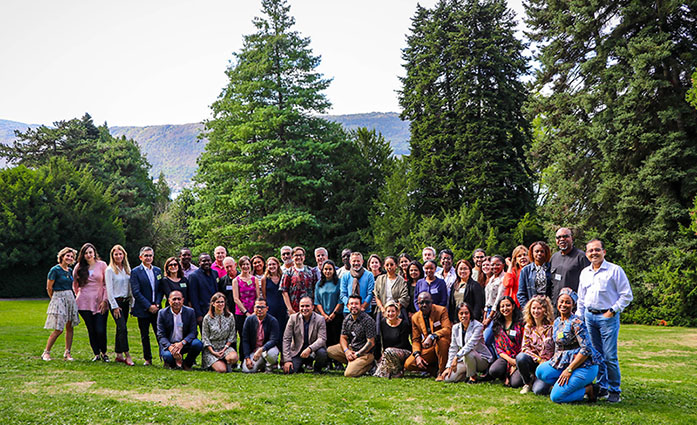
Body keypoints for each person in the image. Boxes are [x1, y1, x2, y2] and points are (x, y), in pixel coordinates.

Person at [577, 239, 633, 403]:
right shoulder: (585, 272)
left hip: (607, 317)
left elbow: (627, 295)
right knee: (596, 355)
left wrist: (612, 310)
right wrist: (580, 316)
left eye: (597, 250)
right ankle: (602, 387)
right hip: (589, 316)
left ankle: (615, 390)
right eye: (590, 251)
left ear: (604, 252)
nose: (593, 253)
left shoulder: (615, 270)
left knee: (609, 357)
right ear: (586, 254)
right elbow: (581, 297)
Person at [536, 288, 603, 403]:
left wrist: (569, 369)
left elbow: (586, 350)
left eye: (568, 302)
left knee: (556, 397)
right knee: (541, 371)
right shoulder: (557, 322)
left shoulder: (577, 323)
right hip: (565, 362)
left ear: (573, 305)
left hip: (584, 365)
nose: (564, 305)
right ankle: (566, 386)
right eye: (561, 301)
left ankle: (589, 389)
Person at [73, 243, 109, 362]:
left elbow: (106, 284)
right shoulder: (79, 267)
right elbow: (75, 285)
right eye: (86, 253)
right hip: (84, 303)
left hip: (100, 301)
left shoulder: (102, 265)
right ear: (83, 255)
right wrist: (78, 295)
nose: (88, 255)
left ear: (94, 253)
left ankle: (104, 352)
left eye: (90, 252)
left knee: (100, 329)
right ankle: (96, 353)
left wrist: (105, 300)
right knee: (91, 329)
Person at [42, 247, 79, 361]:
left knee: (70, 326)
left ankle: (67, 352)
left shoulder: (70, 270)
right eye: (67, 255)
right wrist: (54, 299)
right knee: (59, 328)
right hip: (58, 298)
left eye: (72, 256)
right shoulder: (55, 270)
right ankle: (46, 352)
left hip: (70, 298)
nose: (69, 258)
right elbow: (49, 287)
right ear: (62, 256)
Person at [440, 302, 492, 383]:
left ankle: (472, 377)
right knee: (448, 379)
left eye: (466, 313)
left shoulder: (478, 326)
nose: (464, 316)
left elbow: (470, 345)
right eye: (461, 313)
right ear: (457, 315)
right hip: (465, 359)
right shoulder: (455, 327)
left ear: (470, 314)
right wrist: (449, 366)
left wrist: (456, 357)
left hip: (481, 359)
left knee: (469, 353)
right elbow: (453, 347)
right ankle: (466, 374)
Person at [327, 295, 377, 377]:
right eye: (351, 304)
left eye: (356, 304)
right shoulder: (347, 319)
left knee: (349, 374)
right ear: (348, 306)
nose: (354, 306)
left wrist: (357, 354)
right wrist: (347, 351)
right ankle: (354, 363)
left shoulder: (368, 321)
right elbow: (343, 337)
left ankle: (369, 366)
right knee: (330, 350)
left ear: (361, 306)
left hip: (365, 353)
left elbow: (371, 343)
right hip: (352, 349)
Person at [405, 292, 452, 377]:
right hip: (428, 347)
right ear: (417, 304)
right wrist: (417, 355)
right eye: (421, 303)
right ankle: (433, 369)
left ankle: (442, 372)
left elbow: (447, 329)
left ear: (432, 302)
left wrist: (432, 336)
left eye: (427, 302)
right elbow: (415, 340)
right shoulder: (415, 317)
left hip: (442, 345)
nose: (424, 305)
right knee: (409, 364)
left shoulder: (441, 310)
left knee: (442, 341)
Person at [130, 246, 163, 366]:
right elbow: (136, 292)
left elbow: (160, 289)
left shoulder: (158, 271)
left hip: (157, 308)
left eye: (150, 255)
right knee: (145, 335)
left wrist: (157, 304)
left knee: (160, 333)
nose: (148, 258)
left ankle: (164, 357)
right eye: (146, 255)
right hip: (143, 309)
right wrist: (149, 306)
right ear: (141, 257)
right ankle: (148, 359)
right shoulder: (135, 272)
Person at [516, 295, 555, 395]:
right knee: (520, 357)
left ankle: (547, 381)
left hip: (547, 364)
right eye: (533, 308)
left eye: (539, 308)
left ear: (545, 310)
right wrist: (538, 359)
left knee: (539, 391)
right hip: (534, 361)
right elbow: (525, 348)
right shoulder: (528, 327)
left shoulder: (552, 327)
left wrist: (544, 362)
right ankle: (527, 383)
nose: (536, 311)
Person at [156, 290, 203, 370]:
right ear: (169, 300)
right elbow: (161, 335)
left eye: (179, 299)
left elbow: (193, 332)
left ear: (183, 300)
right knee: (168, 356)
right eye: (174, 299)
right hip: (170, 344)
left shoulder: (190, 312)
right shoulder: (162, 313)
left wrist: (182, 343)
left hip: (184, 343)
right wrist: (170, 347)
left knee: (197, 344)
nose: (176, 302)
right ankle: (174, 363)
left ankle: (187, 364)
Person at [282, 296, 328, 374]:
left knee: (322, 352)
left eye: (307, 306)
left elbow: (322, 339)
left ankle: (317, 369)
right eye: (302, 306)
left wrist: (310, 349)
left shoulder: (320, 319)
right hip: (298, 351)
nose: (304, 308)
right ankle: (299, 368)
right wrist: (287, 360)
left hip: (313, 351)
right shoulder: (293, 318)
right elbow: (286, 339)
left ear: (312, 307)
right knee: (289, 371)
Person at [105, 244, 134, 366]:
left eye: (120, 254)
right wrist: (114, 306)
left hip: (126, 301)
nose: (118, 256)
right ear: (112, 256)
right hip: (116, 302)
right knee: (123, 328)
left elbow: (130, 288)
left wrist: (132, 303)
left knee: (120, 328)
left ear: (124, 255)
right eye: (116, 254)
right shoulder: (109, 270)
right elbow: (109, 290)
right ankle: (127, 355)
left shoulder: (127, 269)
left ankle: (118, 355)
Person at [488, 296, 524, 386]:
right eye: (502, 306)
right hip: (506, 357)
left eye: (508, 305)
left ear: (513, 306)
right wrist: (510, 361)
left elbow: (525, 345)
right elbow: (499, 348)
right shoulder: (497, 324)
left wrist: (516, 363)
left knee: (515, 383)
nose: (505, 309)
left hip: (520, 357)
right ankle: (506, 374)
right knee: (493, 371)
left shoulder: (521, 323)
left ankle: (523, 373)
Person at [550, 228, 590, 307]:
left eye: (565, 236)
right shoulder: (554, 257)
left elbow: (588, 283)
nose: (562, 239)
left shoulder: (580, 257)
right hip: (556, 305)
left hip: (573, 306)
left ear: (572, 238)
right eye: (558, 237)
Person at [201, 292, 238, 373]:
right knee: (221, 370)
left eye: (222, 302)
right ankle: (215, 364)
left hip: (225, 347)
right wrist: (213, 352)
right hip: (211, 349)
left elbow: (232, 335)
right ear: (213, 304)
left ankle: (227, 362)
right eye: (218, 302)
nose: (220, 304)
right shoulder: (207, 318)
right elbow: (205, 338)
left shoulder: (230, 316)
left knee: (234, 357)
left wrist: (224, 348)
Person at [241, 297, 280, 373]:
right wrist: (247, 358)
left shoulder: (273, 321)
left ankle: (269, 368)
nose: (259, 309)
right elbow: (245, 340)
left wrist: (262, 349)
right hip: (254, 352)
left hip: (267, 349)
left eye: (262, 307)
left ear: (267, 308)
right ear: (254, 308)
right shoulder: (249, 320)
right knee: (247, 370)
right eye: (257, 307)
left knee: (272, 354)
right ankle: (261, 364)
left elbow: (274, 340)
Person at [373, 301, 412, 378]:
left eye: (393, 311)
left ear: (397, 312)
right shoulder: (382, 323)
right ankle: (392, 373)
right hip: (388, 353)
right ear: (385, 313)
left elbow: (404, 343)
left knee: (389, 352)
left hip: (403, 351)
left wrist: (387, 352)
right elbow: (381, 341)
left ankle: (399, 370)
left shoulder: (404, 324)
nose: (390, 314)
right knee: (379, 375)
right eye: (388, 311)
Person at [233, 256, 260, 359]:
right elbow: (236, 298)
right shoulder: (236, 280)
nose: (245, 266)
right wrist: (246, 312)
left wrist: (254, 311)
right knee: (243, 336)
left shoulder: (255, 279)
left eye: (247, 264)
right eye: (243, 264)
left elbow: (258, 296)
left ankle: (253, 357)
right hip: (241, 313)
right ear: (240, 266)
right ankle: (243, 358)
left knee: (254, 335)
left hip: (254, 312)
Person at [314, 260, 344, 352]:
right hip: (323, 316)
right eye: (325, 269)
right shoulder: (319, 284)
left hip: (336, 315)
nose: (327, 271)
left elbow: (341, 299)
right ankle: (328, 362)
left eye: (330, 269)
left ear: (334, 270)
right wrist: (323, 314)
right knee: (326, 338)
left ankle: (338, 361)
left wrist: (334, 313)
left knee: (336, 338)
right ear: (322, 270)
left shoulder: (339, 282)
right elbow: (317, 301)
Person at [281, 246, 316, 316]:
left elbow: (315, 289)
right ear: (292, 257)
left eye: (301, 255)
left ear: (304, 257)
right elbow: (284, 292)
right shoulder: (288, 272)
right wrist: (290, 309)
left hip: (309, 309)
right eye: (296, 255)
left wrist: (314, 305)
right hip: (294, 310)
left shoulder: (311, 271)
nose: (299, 257)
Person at [518, 241, 553, 311]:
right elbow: (521, 294)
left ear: (546, 253)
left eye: (542, 251)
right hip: (532, 308)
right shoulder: (525, 271)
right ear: (532, 253)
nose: (539, 253)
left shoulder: (552, 268)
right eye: (537, 251)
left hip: (548, 308)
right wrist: (528, 308)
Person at [261, 256, 288, 341]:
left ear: (278, 265)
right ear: (267, 266)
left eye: (274, 264)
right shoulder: (264, 279)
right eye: (269, 265)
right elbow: (264, 295)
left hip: (282, 307)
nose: (272, 266)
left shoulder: (284, 277)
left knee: (283, 331)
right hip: (271, 308)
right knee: (272, 330)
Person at [189, 253, 219, 327]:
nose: (206, 263)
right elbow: (193, 297)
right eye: (203, 261)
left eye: (208, 260)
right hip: (203, 311)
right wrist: (198, 315)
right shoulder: (194, 276)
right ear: (199, 263)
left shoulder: (215, 273)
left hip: (216, 309)